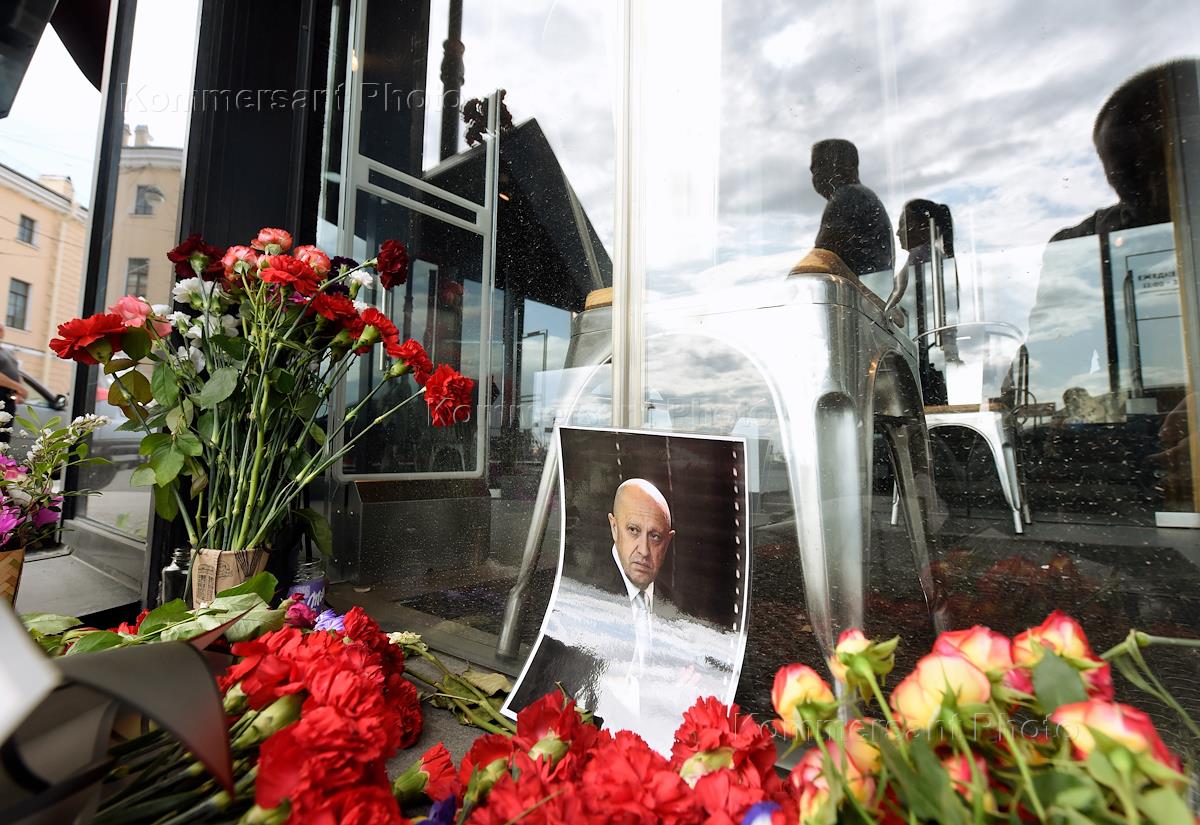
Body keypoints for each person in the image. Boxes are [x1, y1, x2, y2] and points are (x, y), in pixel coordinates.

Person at [802, 138, 894, 280]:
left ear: (845, 166)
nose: (815, 174)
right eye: (813, 170)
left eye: (820, 165)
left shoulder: (848, 196)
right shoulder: (863, 196)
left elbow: (821, 259)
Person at [0, 324, 28, 443]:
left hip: (8, 400)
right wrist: (19, 387)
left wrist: (19, 393)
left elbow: (17, 372)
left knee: (4, 437)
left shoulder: (8, 351)